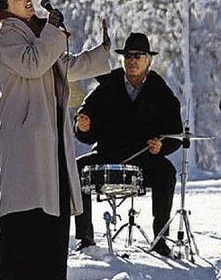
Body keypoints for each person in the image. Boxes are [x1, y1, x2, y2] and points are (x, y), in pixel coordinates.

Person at [0, 0, 111, 280]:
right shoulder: (8, 35)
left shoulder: (39, 35)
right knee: (25, 216)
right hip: (25, 139)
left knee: (51, 217)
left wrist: (103, 50)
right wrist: (53, 31)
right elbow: (33, 63)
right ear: (5, 9)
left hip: (49, 139)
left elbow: (66, 66)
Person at [73, 32, 183, 257]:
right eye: (129, 56)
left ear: (148, 60)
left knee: (167, 171)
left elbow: (174, 134)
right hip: (107, 156)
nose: (133, 60)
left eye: (139, 56)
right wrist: (83, 126)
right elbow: (85, 123)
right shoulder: (106, 87)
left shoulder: (162, 92)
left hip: (145, 162)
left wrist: (161, 147)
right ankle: (85, 238)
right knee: (76, 168)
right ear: (122, 59)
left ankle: (160, 240)